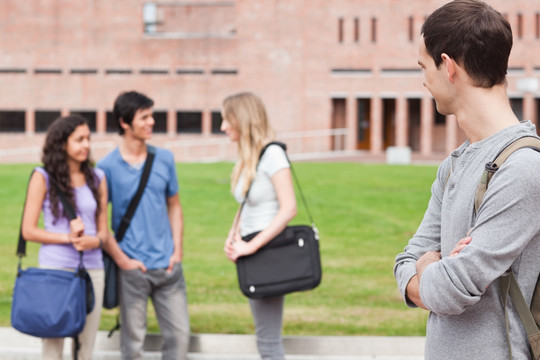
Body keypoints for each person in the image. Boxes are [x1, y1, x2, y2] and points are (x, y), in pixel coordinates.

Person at [394, 1, 540, 359]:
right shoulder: (455, 163)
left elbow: (450, 291)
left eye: (423, 67)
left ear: (448, 67)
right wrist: (432, 270)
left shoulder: (523, 168)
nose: (423, 80)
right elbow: (405, 260)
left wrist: (429, 267)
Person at [98, 91, 190, 360]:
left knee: (179, 337)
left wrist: (177, 252)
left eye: (152, 116)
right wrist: (123, 261)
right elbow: (101, 223)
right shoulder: (106, 168)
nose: (151, 122)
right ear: (125, 122)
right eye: (144, 117)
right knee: (133, 344)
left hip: (168, 268)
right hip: (132, 270)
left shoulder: (164, 159)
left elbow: (174, 205)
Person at [21, 115, 107, 360]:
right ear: (61, 143)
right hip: (56, 270)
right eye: (79, 139)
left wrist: (95, 241)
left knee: (85, 348)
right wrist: (68, 239)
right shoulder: (43, 177)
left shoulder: (98, 178)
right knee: (52, 348)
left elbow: (103, 232)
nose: (86, 145)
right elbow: (28, 230)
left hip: (93, 271)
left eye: (88, 139)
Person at [222, 92, 297, 360]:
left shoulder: (273, 153)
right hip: (251, 252)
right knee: (264, 337)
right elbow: (246, 203)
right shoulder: (249, 156)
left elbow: (289, 208)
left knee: (268, 341)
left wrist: (250, 246)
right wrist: (233, 236)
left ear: (242, 119)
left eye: (227, 119)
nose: (223, 127)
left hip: (266, 252)